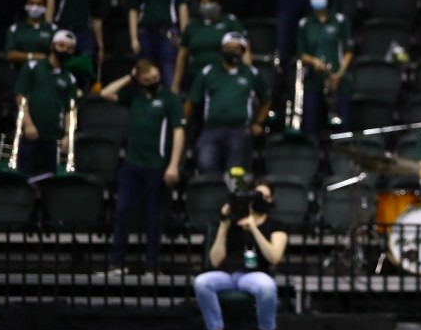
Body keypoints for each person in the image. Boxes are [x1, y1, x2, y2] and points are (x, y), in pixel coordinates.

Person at [97, 60, 186, 278]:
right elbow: (105, 94)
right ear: (140, 81)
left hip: (157, 166)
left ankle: (151, 266)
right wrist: (130, 77)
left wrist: (173, 165)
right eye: (147, 80)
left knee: (154, 216)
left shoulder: (170, 99)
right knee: (123, 212)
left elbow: (178, 132)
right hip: (132, 164)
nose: (153, 82)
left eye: (155, 78)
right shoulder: (134, 96)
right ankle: (116, 263)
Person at [194, 179, 287, 330]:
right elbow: (214, 260)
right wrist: (224, 224)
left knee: (267, 287)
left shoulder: (276, 225)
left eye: (266, 197)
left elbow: (274, 257)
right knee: (202, 282)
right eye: (258, 196)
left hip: (254, 275)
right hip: (227, 274)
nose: (262, 200)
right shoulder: (232, 223)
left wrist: (253, 228)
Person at [185, 33, 271, 174]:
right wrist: (182, 126)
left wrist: (259, 122)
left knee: (236, 172)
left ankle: (235, 195)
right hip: (211, 129)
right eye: (228, 48)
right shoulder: (208, 72)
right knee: (205, 164)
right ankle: (212, 194)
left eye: (236, 48)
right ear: (221, 49)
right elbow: (191, 101)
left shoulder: (251, 73)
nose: (232, 52)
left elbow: (266, 99)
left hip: (239, 130)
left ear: (243, 51)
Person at [13, 30, 78, 178]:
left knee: (51, 181)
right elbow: (20, 97)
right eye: (61, 45)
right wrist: (28, 124)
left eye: (69, 48)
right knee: (25, 178)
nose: (65, 50)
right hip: (31, 135)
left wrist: (68, 135)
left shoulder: (70, 79)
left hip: (54, 137)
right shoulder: (33, 67)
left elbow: (70, 110)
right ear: (53, 45)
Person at [296, 0, 354, 135]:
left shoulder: (340, 20)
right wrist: (314, 61)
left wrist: (339, 74)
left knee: (342, 127)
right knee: (310, 127)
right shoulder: (305, 24)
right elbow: (301, 53)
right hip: (313, 81)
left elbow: (348, 51)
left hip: (337, 81)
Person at [173, 0, 248, 92]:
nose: (207, 5)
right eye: (204, 2)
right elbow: (182, 57)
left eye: (211, 2)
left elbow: (245, 50)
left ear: (219, 4)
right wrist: (175, 84)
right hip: (196, 77)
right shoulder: (192, 26)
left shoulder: (230, 22)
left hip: (223, 76)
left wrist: (248, 74)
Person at [4, 0, 58, 70]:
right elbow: (9, 55)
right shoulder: (14, 29)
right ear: (26, 5)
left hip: (46, 73)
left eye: (39, 4)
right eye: (31, 3)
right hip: (20, 73)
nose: (35, 7)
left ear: (44, 6)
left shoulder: (53, 29)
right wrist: (34, 56)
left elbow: (55, 56)